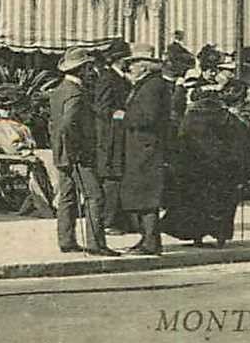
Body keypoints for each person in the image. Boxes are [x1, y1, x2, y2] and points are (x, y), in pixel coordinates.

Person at [161, 81, 250, 247]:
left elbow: (181, 143)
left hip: (195, 169)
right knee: (222, 204)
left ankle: (197, 237)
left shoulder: (190, 117)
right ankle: (220, 237)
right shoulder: (228, 117)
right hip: (224, 169)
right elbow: (240, 143)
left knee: (196, 203)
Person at [50, 47, 116, 256]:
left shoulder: (59, 90)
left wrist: (62, 149)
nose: (91, 71)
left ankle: (66, 240)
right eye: (88, 67)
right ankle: (96, 244)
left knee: (67, 196)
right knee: (94, 196)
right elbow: (69, 125)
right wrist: (74, 151)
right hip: (78, 155)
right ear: (82, 69)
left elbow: (55, 125)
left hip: (62, 154)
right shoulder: (76, 93)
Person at [119, 46, 171, 255]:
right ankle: (146, 239)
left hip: (146, 149)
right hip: (142, 148)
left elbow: (149, 117)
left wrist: (124, 117)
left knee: (146, 196)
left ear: (143, 65)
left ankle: (151, 241)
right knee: (140, 195)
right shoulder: (149, 84)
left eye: (133, 63)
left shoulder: (152, 86)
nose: (130, 67)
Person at [0, 85, 55, 217]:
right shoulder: (1, 125)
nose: (7, 111)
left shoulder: (18, 124)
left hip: (30, 157)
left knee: (52, 159)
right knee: (48, 160)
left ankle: (54, 201)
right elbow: (12, 147)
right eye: (4, 108)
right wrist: (26, 151)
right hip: (18, 160)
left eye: (9, 108)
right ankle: (49, 207)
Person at [92, 40, 132, 235]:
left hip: (119, 135)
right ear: (120, 60)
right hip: (110, 137)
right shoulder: (108, 78)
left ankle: (118, 219)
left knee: (118, 176)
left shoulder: (120, 78)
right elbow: (101, 107)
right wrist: (119, 113)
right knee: (112, 178)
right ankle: (108, 221)